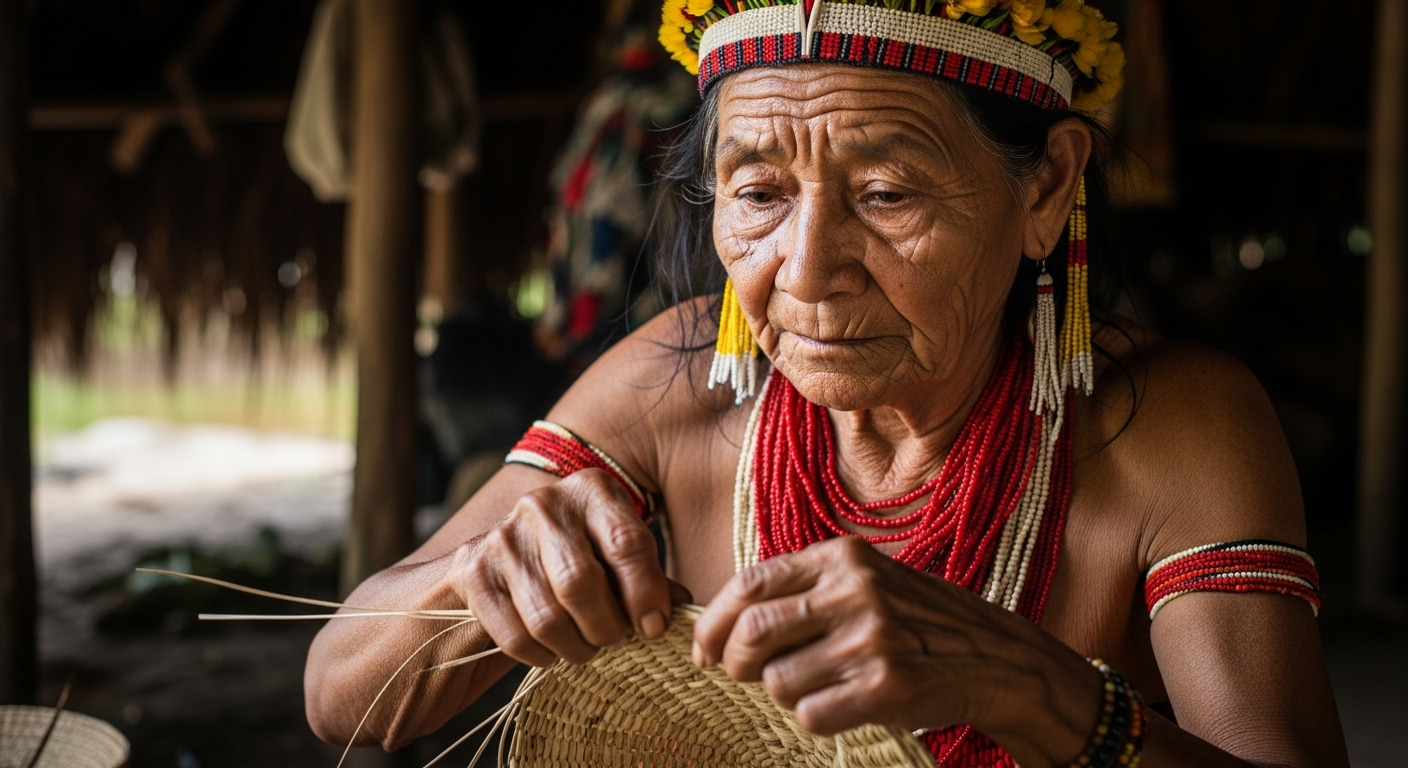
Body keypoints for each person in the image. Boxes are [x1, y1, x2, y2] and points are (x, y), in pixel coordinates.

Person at [304, 2, 1350, 766]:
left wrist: (1024, 683)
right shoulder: (674, 392)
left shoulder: (1170, 427)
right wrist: (480, 582)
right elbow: (340, 697)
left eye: (887, 192)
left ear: (1047, 187)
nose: (802, 269)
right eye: (757, 192)